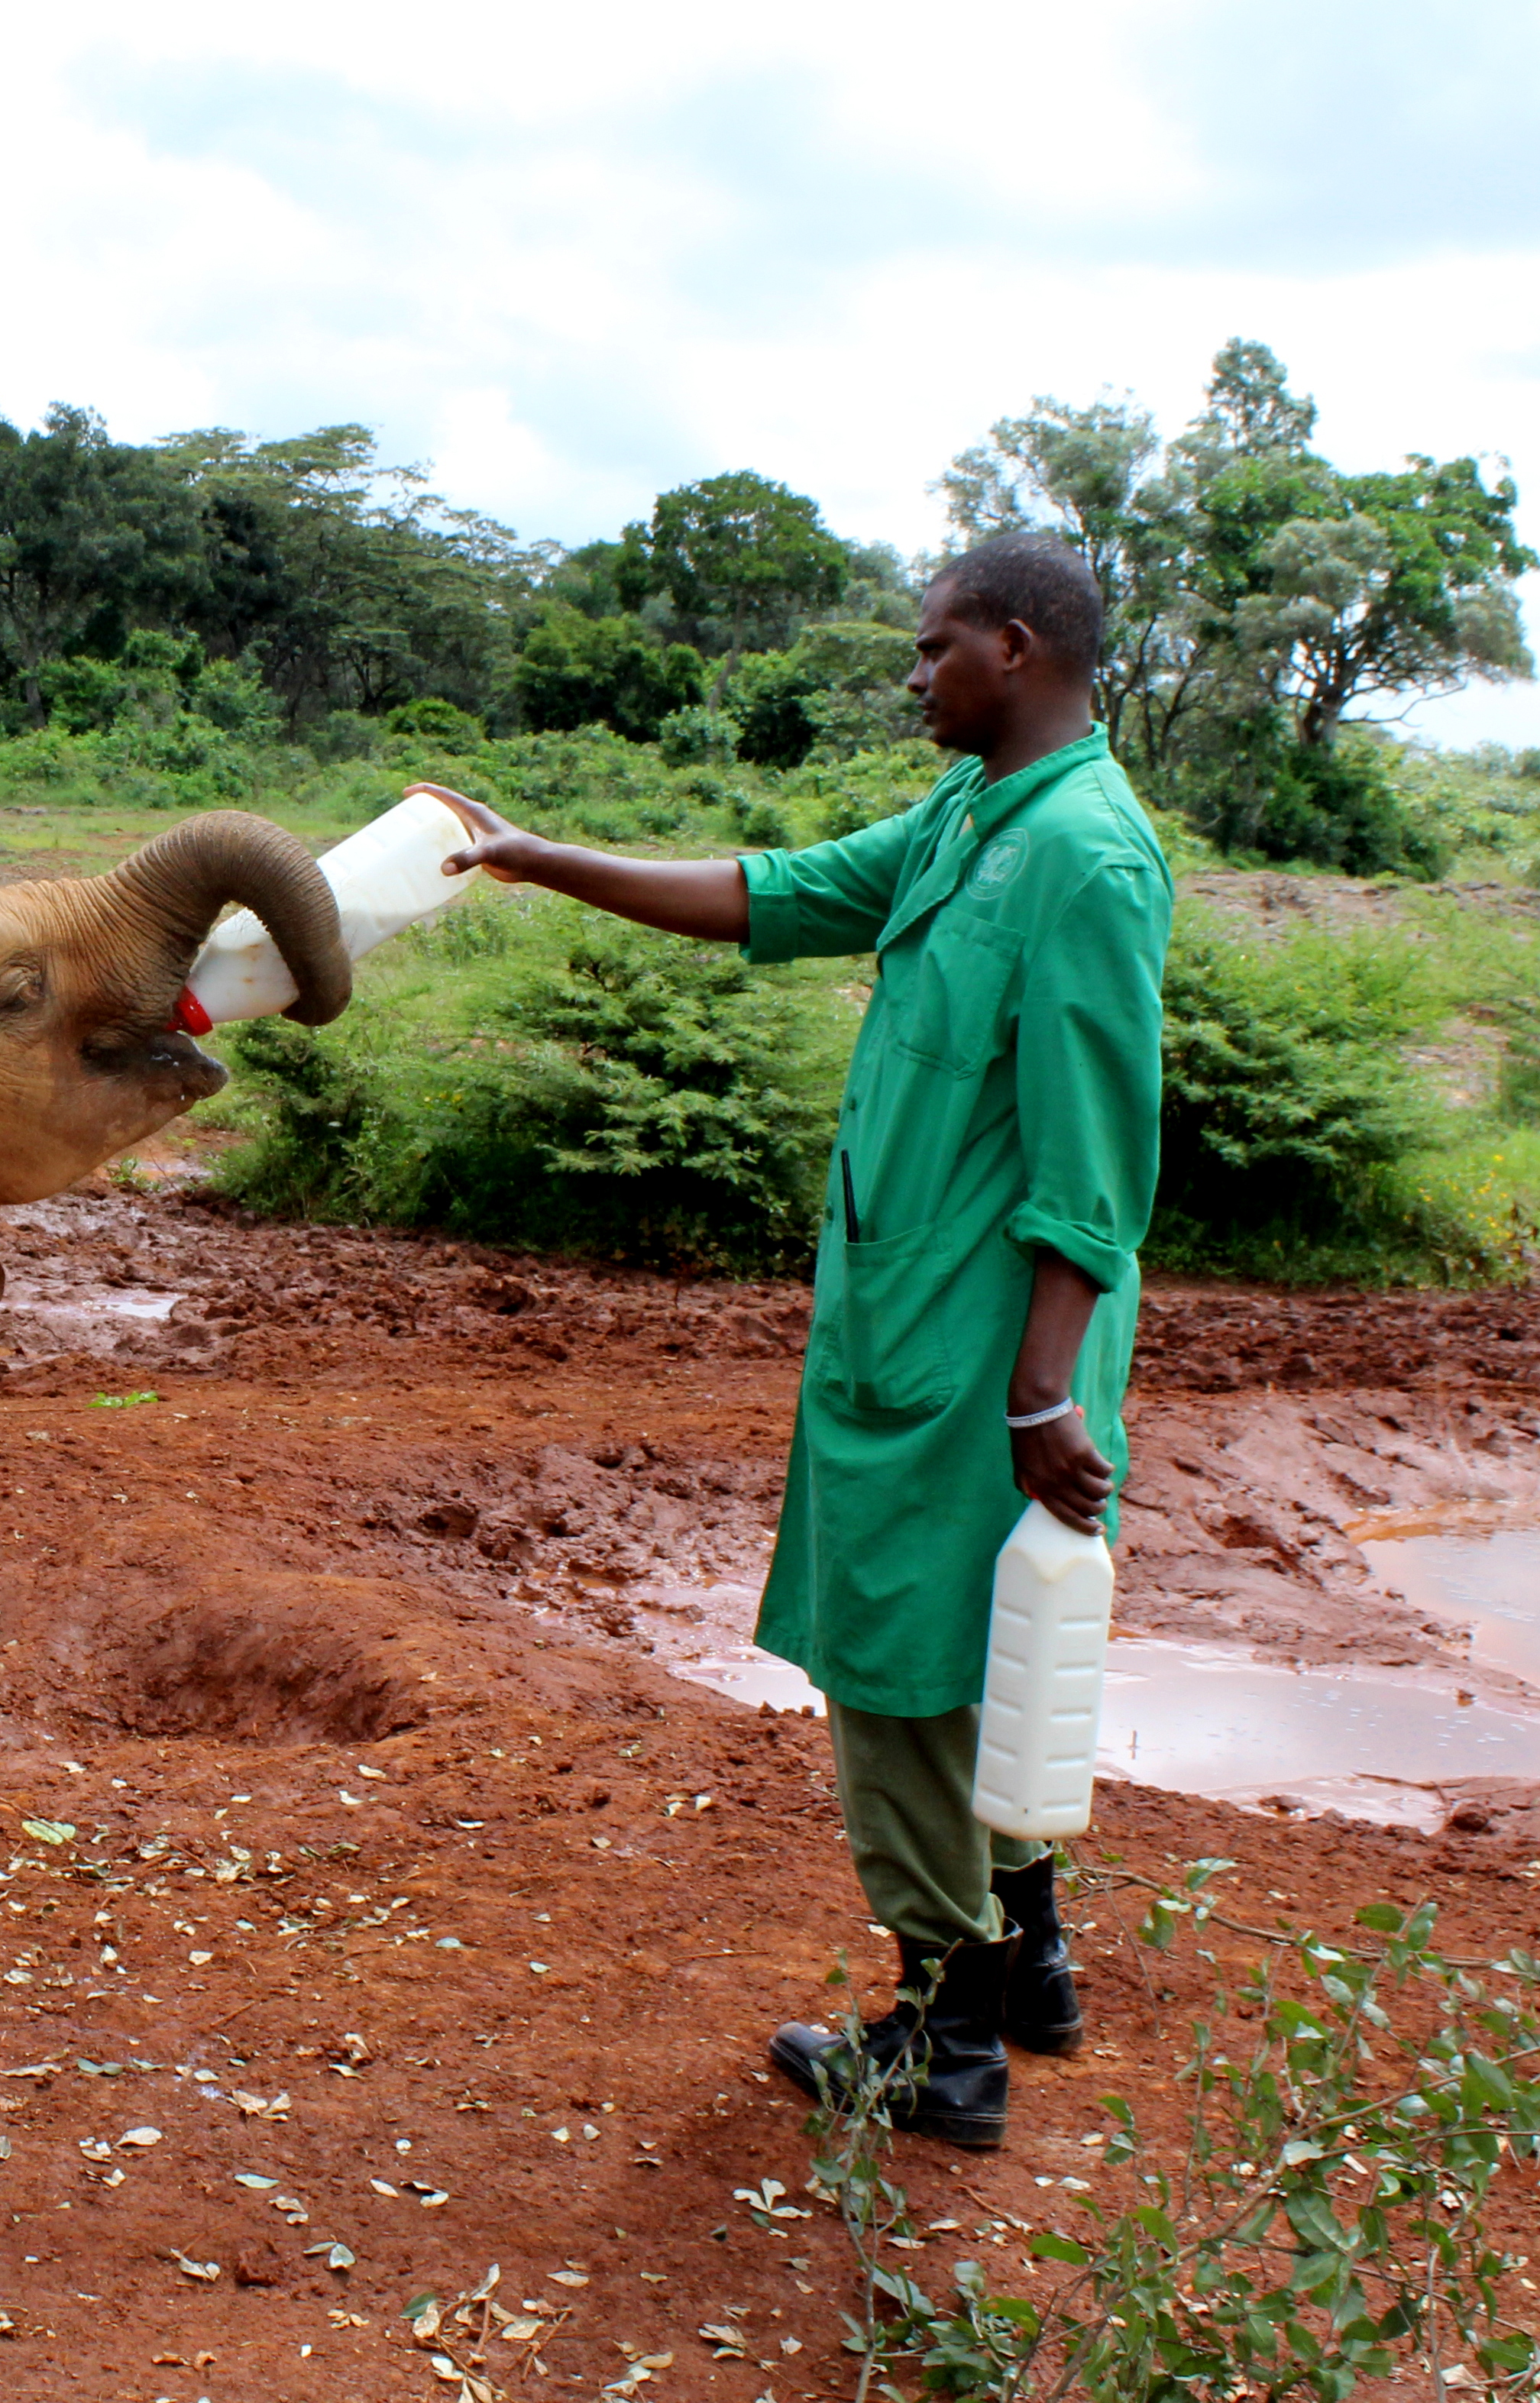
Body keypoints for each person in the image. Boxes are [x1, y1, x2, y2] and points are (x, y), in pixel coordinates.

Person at [435, 532, 1169, 2149]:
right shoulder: (974, 820)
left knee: (903, 1676)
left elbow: (1095, 1159)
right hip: (912, 1332)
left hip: (975, 1366)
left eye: (935, 648)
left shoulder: (1085, 863)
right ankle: (1030, 1957)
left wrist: (1040, 1391)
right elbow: (777, 893)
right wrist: (537, 856)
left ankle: (941, 2037)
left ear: (1021, 648)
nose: (915, 675)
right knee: (974, 1660)